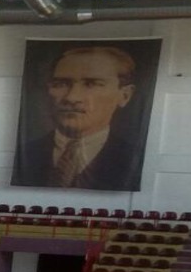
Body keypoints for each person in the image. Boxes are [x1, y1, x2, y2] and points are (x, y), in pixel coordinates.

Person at [12, 45, 147, 191]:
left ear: (125, 95)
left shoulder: (137, 160)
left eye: (91, 84)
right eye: (60, 84)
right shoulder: (22, 153)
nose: (71, 97)